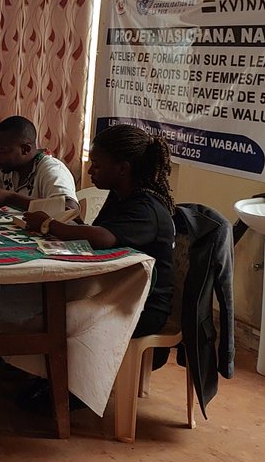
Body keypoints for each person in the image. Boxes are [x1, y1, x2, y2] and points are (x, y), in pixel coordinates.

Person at [24, 123, 176, 338]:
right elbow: (100, 232)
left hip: (141, 307)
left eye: (96, 165)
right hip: (113, 289)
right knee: (37, 304)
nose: (90, 171)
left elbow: (102, 238)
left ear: (123, 169)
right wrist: (74, 225)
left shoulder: (146, 208)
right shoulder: (119, 195)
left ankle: (49, 359)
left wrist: (48, 224)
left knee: (45, 321)